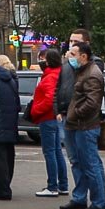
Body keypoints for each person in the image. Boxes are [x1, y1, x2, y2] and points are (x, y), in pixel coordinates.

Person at [60, 41, 105, 209]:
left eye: (73, 54)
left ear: (84, 56)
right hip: (79, 125)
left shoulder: (91, 74)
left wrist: (74, 114)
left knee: (91, 165)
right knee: (86, 164)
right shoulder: (81, 71)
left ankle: (99, 204)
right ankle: (98, 201)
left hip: (85, 126)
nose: (69, 57)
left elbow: (92, 103)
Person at [30, 48, 69, 196]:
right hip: (53, 117)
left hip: (47, 118)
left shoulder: (50, 77)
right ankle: (62, 184)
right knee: (57, 151)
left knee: (50, 152)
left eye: (43, 59)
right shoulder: (58, 74)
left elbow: (48, 99)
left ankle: (52, 186)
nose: (41, 61)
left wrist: (35, 110)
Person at [0, 53, 20, 200]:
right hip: (9, 121)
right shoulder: (9, 77)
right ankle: (5, 185)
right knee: (8, 155)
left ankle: (3, 189)